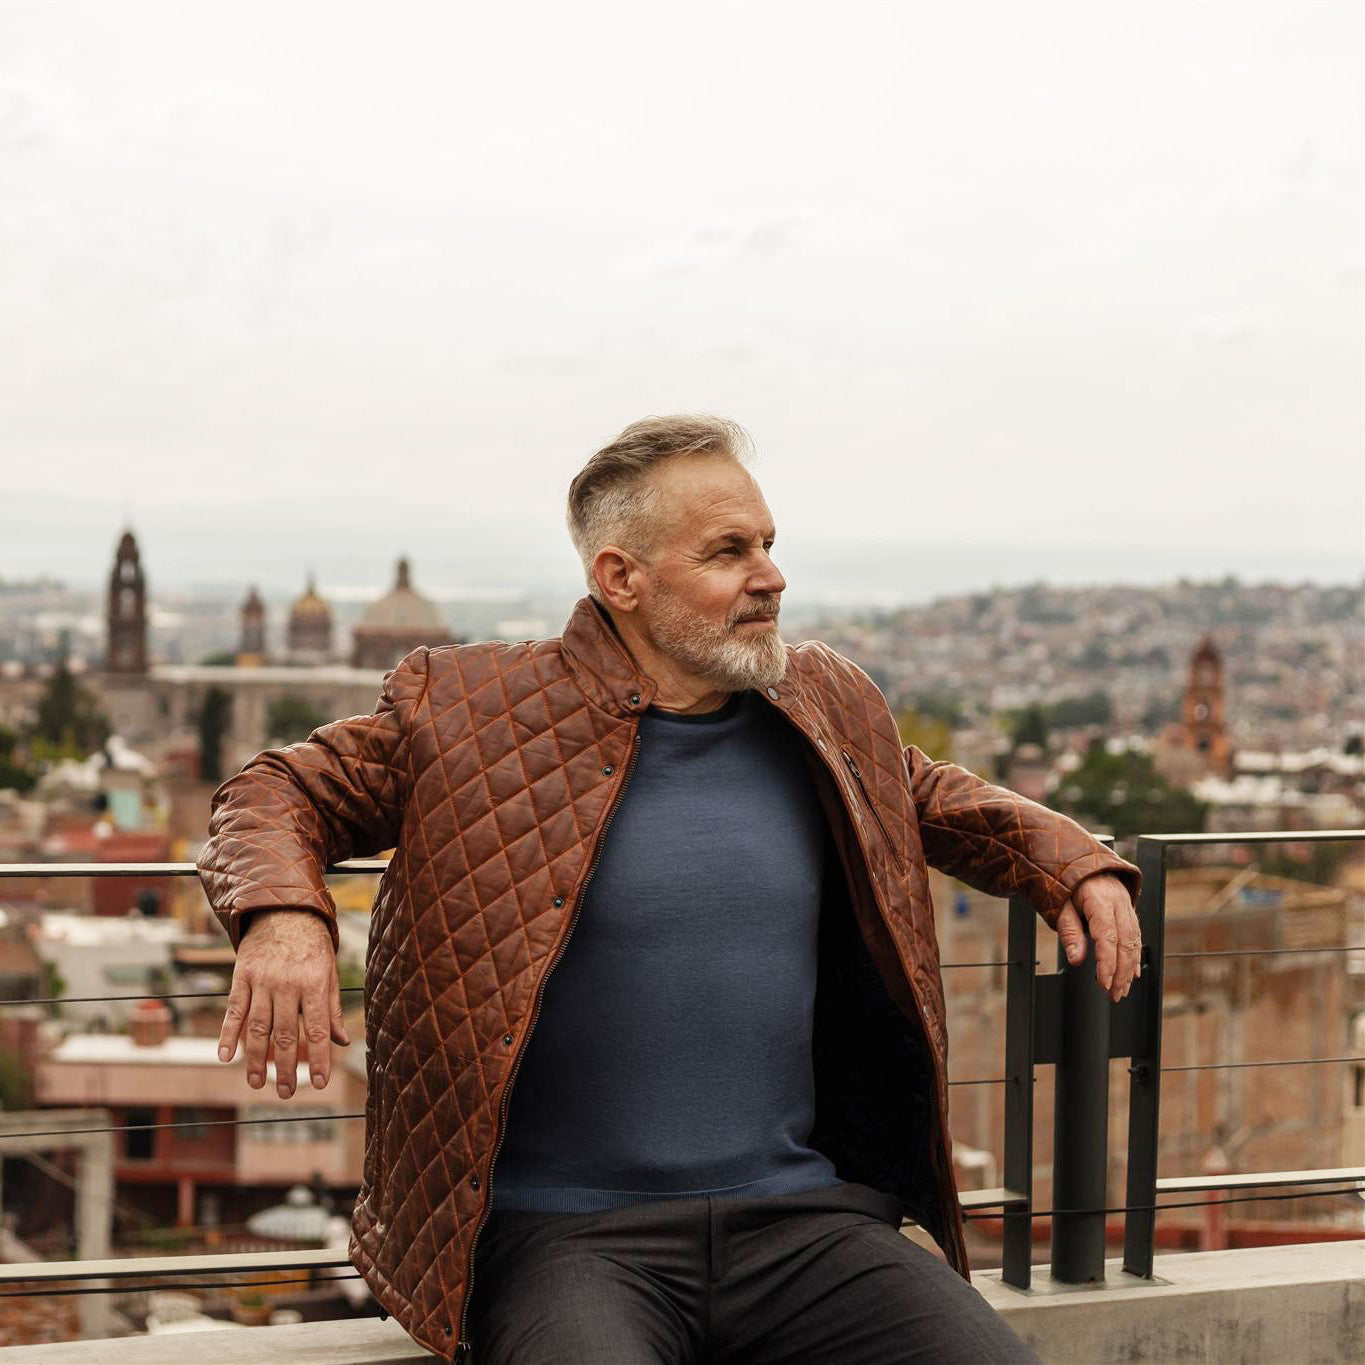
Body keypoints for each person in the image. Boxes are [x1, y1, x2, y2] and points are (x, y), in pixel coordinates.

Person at [198, 414, 1143, 1364]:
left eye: (768, 544)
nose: (769, 574)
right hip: (562, 1239)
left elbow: (914, 788)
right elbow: (274, 790)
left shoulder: (824, 703)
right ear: (621, 579)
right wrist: (283, 916)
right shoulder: (465, 705)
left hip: (802, 1223)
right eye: (728, 551)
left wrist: (1063, 855)